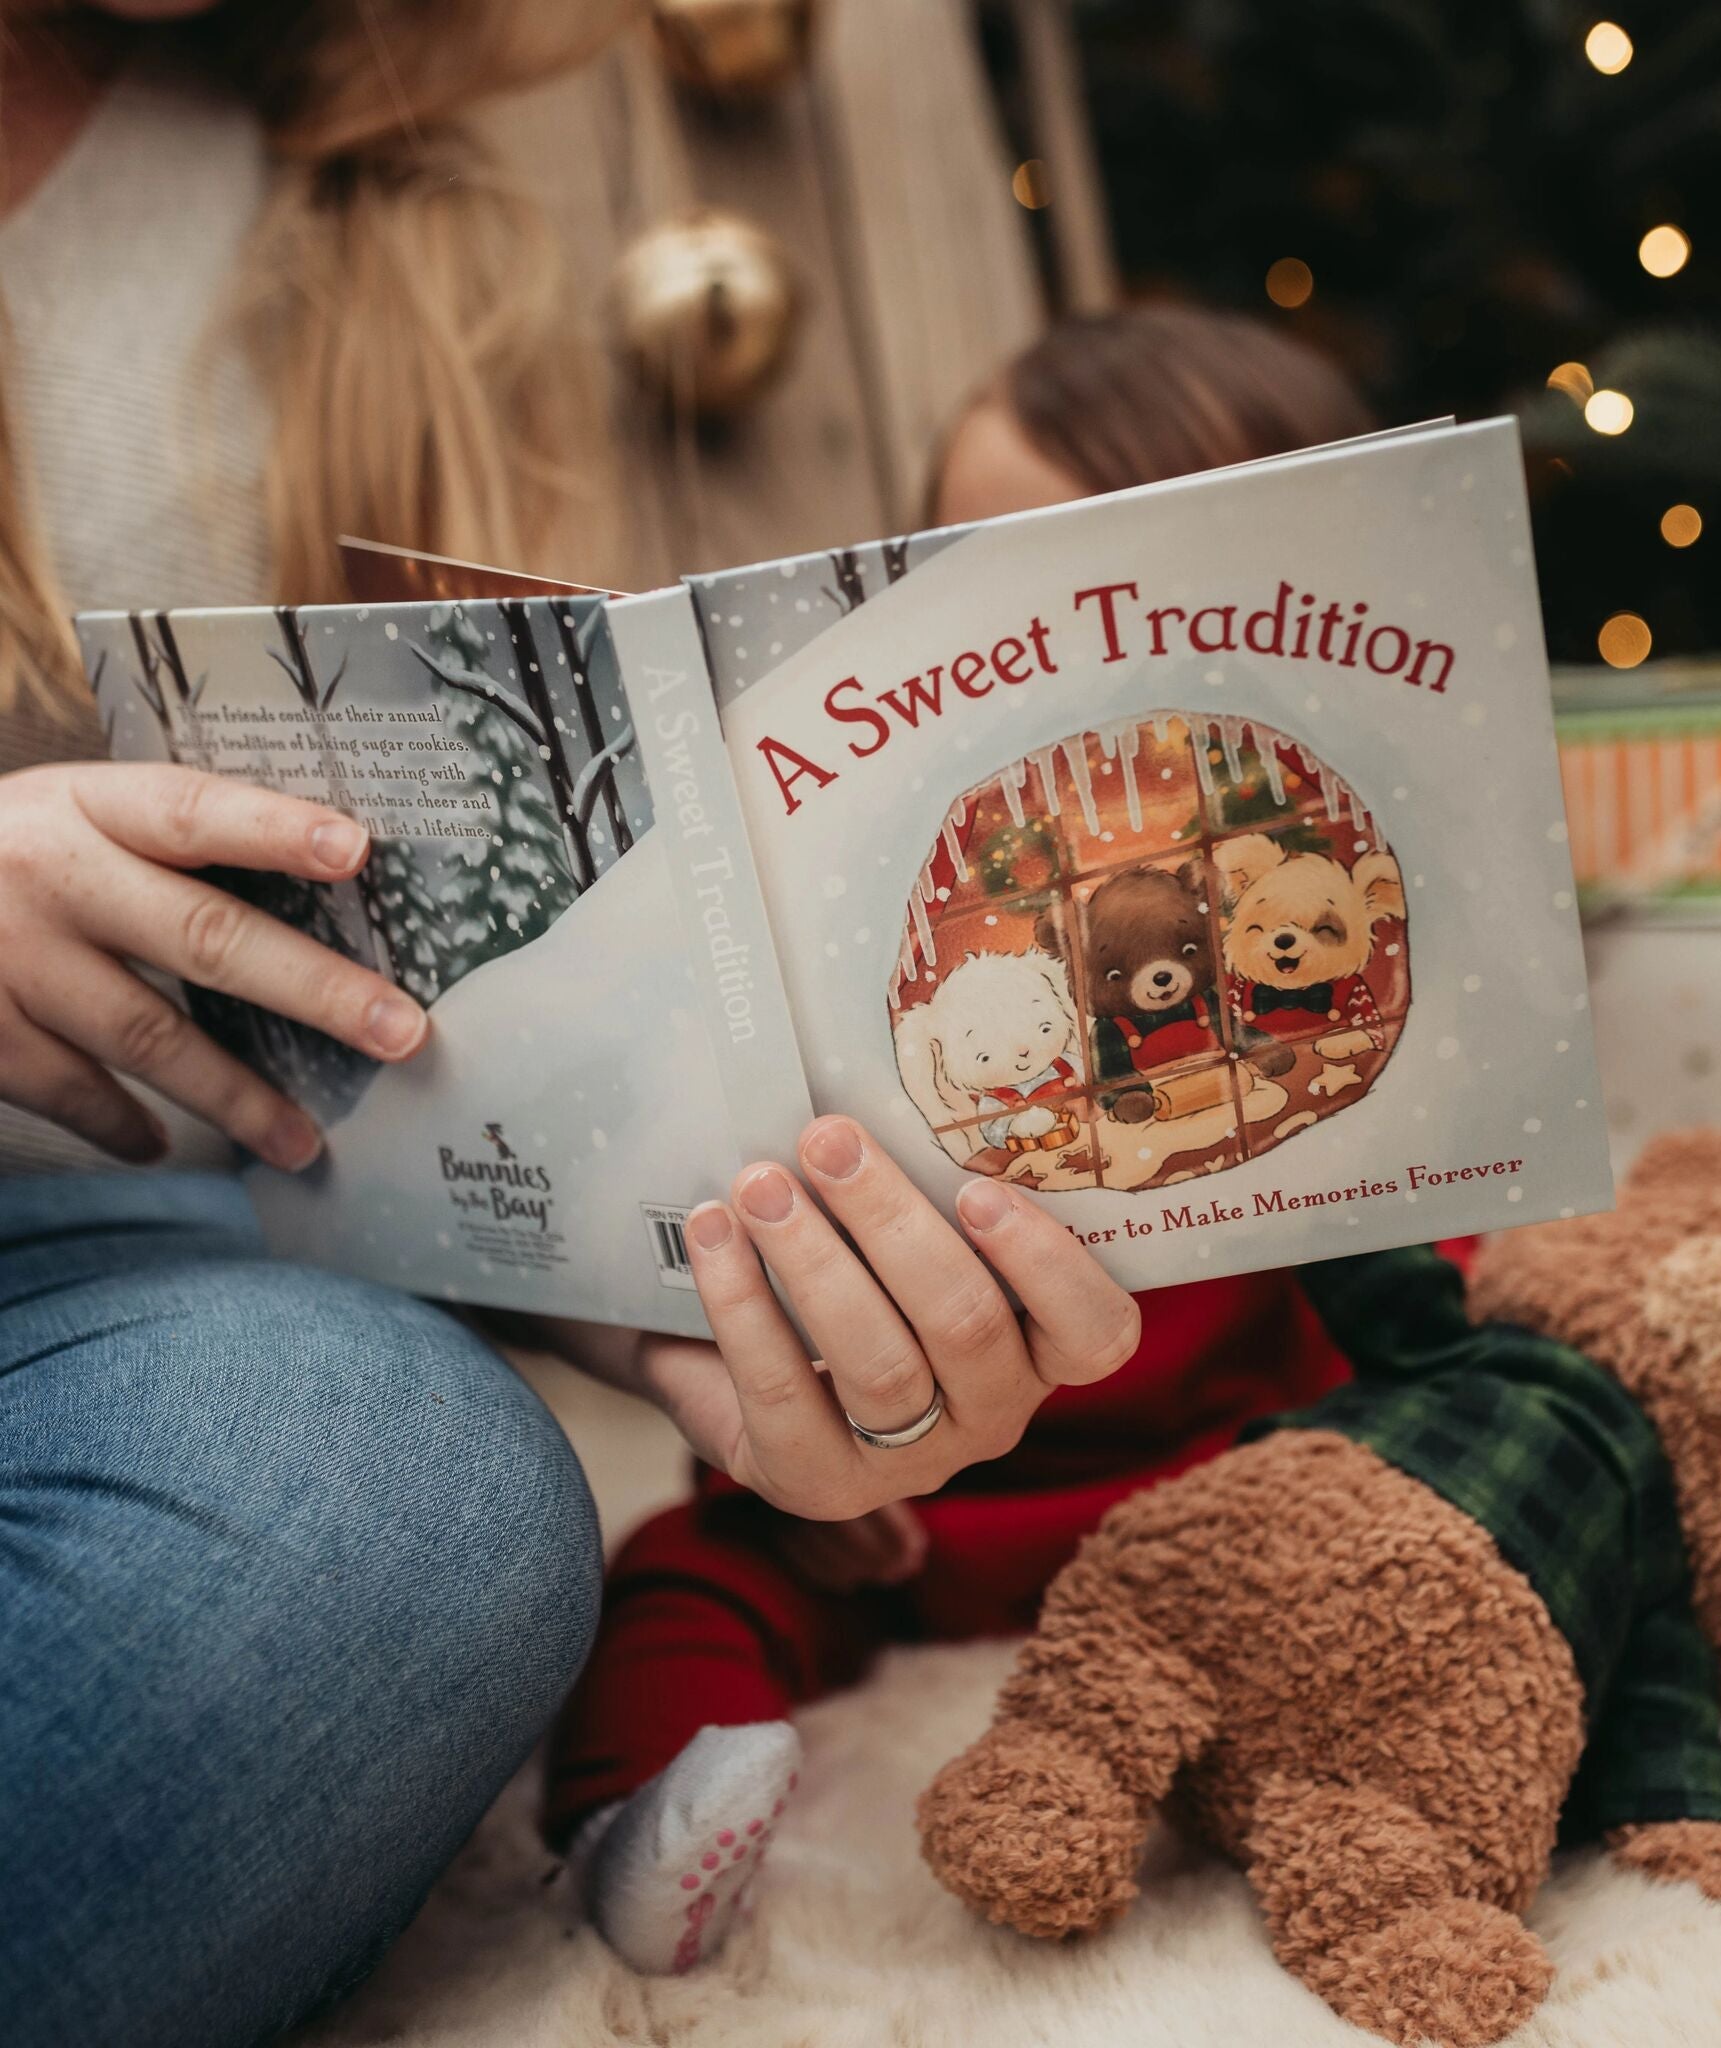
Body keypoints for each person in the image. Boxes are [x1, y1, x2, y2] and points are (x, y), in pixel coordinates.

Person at [0, 10, 1137, 2046]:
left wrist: (633, 1274)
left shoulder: (376, 219)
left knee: (404, 1503)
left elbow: (388, 1003)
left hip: (157, 1264)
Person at [544, 304, 1382, 1976]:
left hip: (1240, 1498)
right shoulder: (934, 916)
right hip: (908, 1512)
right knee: (678, 1575)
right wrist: (780, 1438)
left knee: (1510, 1512)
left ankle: (1700, 1755)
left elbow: (1437, 1298)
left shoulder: (1294, 914)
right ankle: (644, 1819)